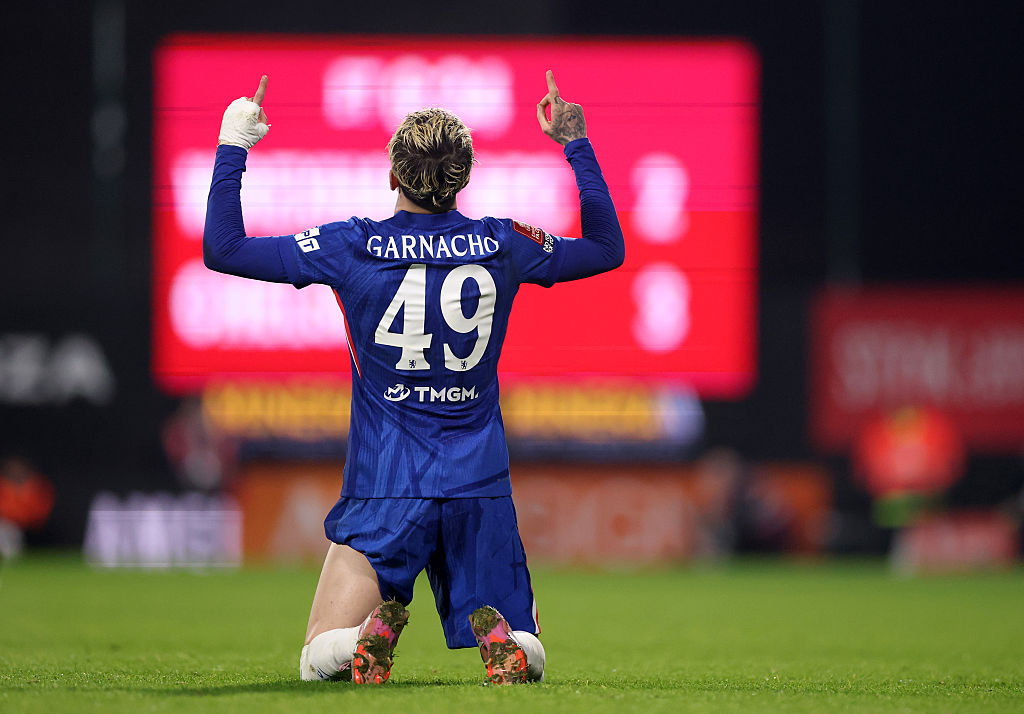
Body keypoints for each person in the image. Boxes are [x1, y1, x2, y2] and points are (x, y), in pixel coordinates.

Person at [204, 71, 624, 685]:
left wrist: (233, 143)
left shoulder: (351, 244)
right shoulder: (502, 242)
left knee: (318, 656)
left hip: (385, 485)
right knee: (528, 644)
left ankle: (359, 644)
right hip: (478, 483)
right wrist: (575, 142)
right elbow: (607, 247)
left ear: (394, 174)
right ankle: (508, 646)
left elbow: (225, 248)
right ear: (464, 178)